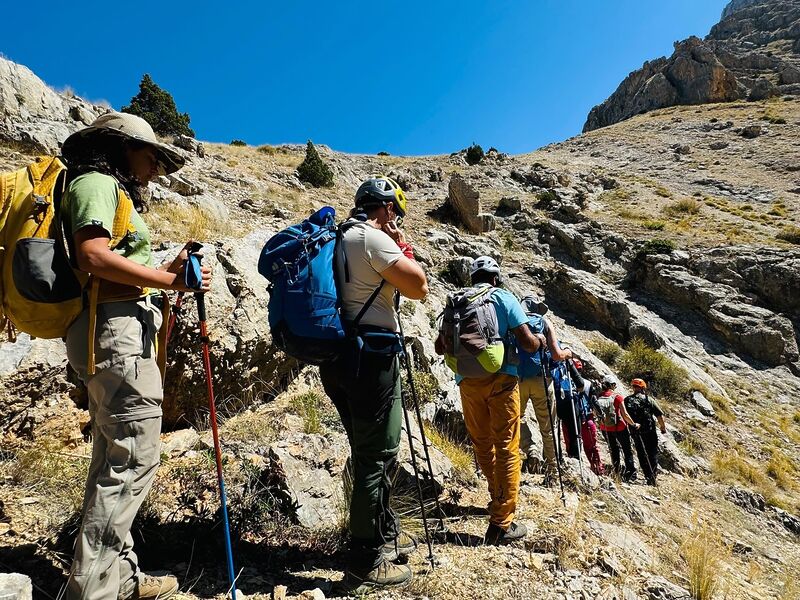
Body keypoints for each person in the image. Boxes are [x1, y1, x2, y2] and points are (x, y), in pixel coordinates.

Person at [60, 112, 212, 600]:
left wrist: (164, 269)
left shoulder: (108, 190)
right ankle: (97, 590)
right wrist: (171, 280)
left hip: (116, 329)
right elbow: (92, 256)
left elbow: (111, 263)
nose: (152, 171)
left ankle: (117, 576)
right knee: (134, 456)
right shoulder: (97, 182)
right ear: (121, 147)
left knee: (115, 455)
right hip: (115, 333)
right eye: (149, 158)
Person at [318, 176, 428, 592]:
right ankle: (366, 560)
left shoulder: (337, 236)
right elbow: (418, 287)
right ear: (383, 208)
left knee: (367, 448)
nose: (395, 217)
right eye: (394, 210)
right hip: (372, 357)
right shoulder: (370, 238)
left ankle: (380, 534)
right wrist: (401, 244)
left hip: (338, 356)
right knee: (376, 454)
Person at [444, 257, 546, 545]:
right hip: (502, 380)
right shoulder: (502, 297)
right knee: (507, 447)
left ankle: (496, 494)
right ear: (495, 278)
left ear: (473, 277)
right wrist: (538, 341)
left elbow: (442, 345)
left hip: (467, 382)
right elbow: (527, 342)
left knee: (482, 443)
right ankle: (502, 522)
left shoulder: (458, 301)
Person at [516, 294, 571, 478]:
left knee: (516, 419)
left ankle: (530, 449)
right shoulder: (545, 323)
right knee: (548, 427)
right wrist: (567, 353)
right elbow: (556, 355)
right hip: (542, 380)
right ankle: (553, 471)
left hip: (519, 379)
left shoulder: (517, 321)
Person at [564, 359, 604, 476]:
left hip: (569, 417)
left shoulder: (565, 383)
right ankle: (597, 469)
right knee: (591, 445)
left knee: (571, 443)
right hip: (587, 418)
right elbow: (594, 401)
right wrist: (600, 414)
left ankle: (574, 466)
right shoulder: (587, 383)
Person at [624, 379, 667, 486]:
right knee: (652, 453)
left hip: (636, 432)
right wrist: (662, 427)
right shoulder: (649, 400)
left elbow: (624, 415)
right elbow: (659, 415)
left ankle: (648, 475)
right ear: (643, 388)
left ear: (633, 387)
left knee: (641, 454)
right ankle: (652, 477)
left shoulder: (627, 400)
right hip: (650, 431)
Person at [596, 374, 639, 481]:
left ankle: (616, 471)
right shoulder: (617, 397)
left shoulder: (598, 396)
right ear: (613, 385)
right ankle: (630, 473)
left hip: (605, 427)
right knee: (627, 450)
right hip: (620, 428)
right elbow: (625, 415)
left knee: (613, 449)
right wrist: (633, 424)